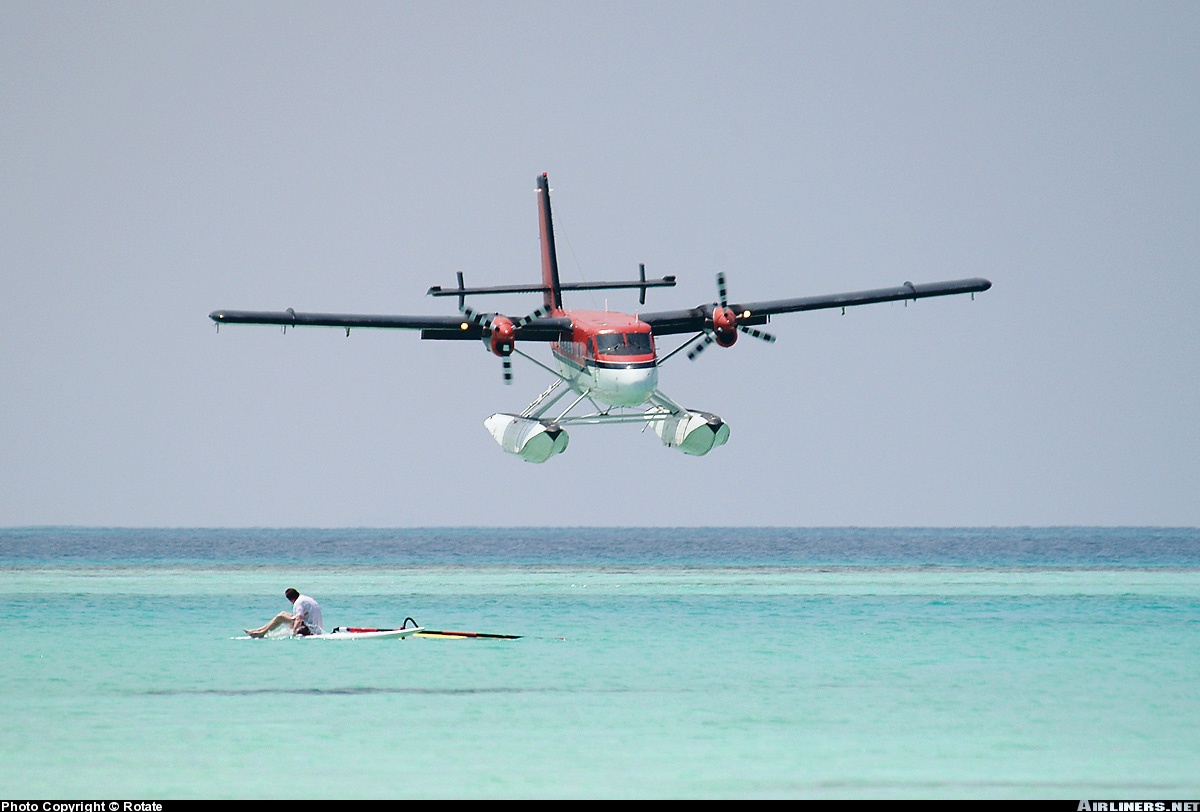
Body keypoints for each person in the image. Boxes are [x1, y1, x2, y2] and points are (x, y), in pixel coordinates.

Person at [245, 588, 324, 638]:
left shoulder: (298, 603)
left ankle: (261, 633)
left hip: (309, 631)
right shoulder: (304, 598)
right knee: (283, 614)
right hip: (314, 628)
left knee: (280, 617)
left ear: (290, 599)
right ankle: (259, 630)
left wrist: (294, 632)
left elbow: (299, 619)